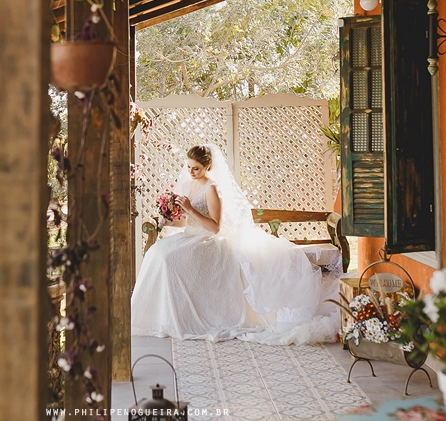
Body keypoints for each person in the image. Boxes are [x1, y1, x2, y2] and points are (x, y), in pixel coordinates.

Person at [131, 144, 339, 345]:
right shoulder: (187, 185)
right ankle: (158, 315)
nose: (191, 172)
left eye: (196, 168)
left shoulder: (212, 190)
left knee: (169, 259)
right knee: (157, 253)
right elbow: (187, 221)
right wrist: (166, 220)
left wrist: (190, 209)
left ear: (207, 167)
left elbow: (215, 227)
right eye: (188, 168)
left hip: (209, 240)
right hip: (190, 235)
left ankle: (186, 317)